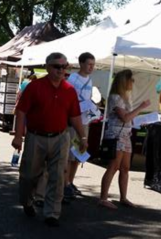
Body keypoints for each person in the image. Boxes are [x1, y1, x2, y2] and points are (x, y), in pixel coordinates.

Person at [12, 52, 87, 227]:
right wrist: (18, 135)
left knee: (58, 176)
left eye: (64, 66)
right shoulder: (34, 86)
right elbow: (21, 111)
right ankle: (27, 202)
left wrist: (83, 137)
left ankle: (52, 213)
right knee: (29, 175)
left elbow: (75, 116)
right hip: (35, 137)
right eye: (56, 66)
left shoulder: (69, 90)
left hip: (61, 137)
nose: (61, 70)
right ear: (47, 67)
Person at [99, 69, 150, 209]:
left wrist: (138, 120)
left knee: (126, 167)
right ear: (124, 81)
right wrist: (141, 108)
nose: (133, 83)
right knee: (113, 166)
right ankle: (103, 198)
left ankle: (123, 197)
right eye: (131, 80)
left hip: (126, 135)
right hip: (116, 135)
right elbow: (125, 117)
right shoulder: (115, 97)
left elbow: (129, 118)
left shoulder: (126, 97)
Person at [65, 52, 96, 198]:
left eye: (93, 64)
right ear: (81, 63)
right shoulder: (72, 78)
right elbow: (69, 100)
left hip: (85, 121)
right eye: (89, 64)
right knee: (70, 154)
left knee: (79, 153)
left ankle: (70, 182)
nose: (92, 67)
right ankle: (65, 184)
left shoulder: (89, 80)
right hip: (73, 121)